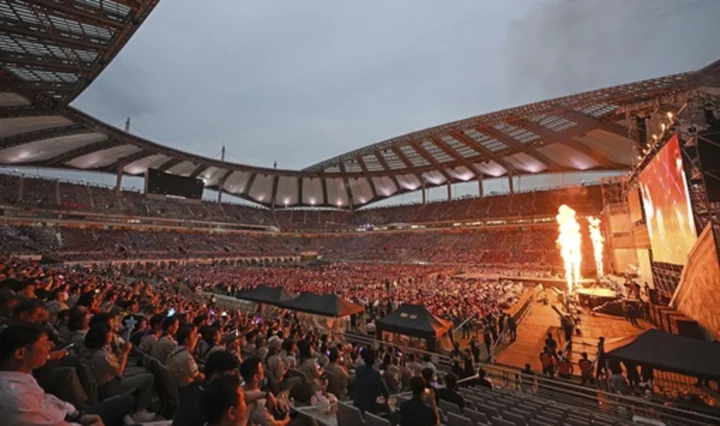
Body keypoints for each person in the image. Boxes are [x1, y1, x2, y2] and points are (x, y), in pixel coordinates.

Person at [0, 322, 134, 426]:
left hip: (69, 416)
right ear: (20, 353)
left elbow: (47, 398)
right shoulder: (15, 398)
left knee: (126, 401)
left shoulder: (20, 375)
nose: (51, 347)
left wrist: (77, 414)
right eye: (44, 344)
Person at [84, 324, 156, 422]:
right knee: (148, 378)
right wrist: (125, 353)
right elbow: (118, 371)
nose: (111, 335)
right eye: (109, 334)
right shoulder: (100, 356)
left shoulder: (99, 350)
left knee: (143, 372)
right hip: (108, 386)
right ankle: (139, 411)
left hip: (109, 381)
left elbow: (114, 362)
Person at [240, 357, 292, 426]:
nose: (264, 370)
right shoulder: (258, 404)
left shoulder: (240, 388)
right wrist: (288, 418)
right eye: (261, 369)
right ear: (256, 377)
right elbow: (272, 424)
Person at [167, 323, 203, 390]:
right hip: (182, 390)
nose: (196, 338)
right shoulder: (186, 357)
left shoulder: (175, 350)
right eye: (194, 336)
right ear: (186, 340)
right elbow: (198, 377)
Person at [353, 348, 389, 415]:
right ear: (374, 360)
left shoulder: (358, 370)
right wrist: (386, 399)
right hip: (369, 408)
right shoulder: (376, 373)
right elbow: (384, 390)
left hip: (357, 405)